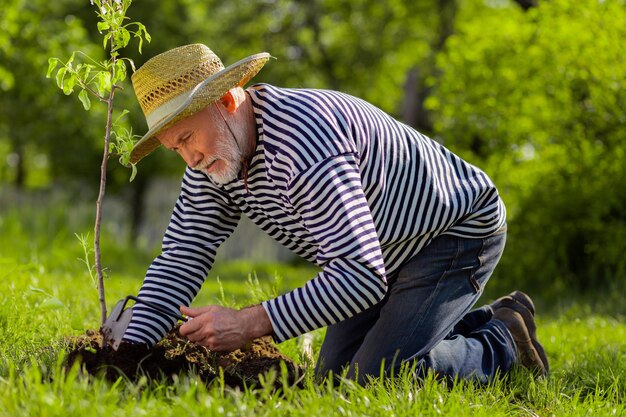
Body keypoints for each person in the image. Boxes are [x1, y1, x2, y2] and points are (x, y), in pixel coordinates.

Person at [122, 43, 548, 384]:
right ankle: (453, 323)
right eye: (175, 148)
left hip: (452, 231)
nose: (189, 159)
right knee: (333, 381)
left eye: (188, 137)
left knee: (376, 379)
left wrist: (249, 323)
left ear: (229, 100)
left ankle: (504, 338)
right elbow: (182, 256)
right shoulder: (214, 160)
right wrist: (129, 353)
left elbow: (359, 277)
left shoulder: (305, 146)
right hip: (379, 248)